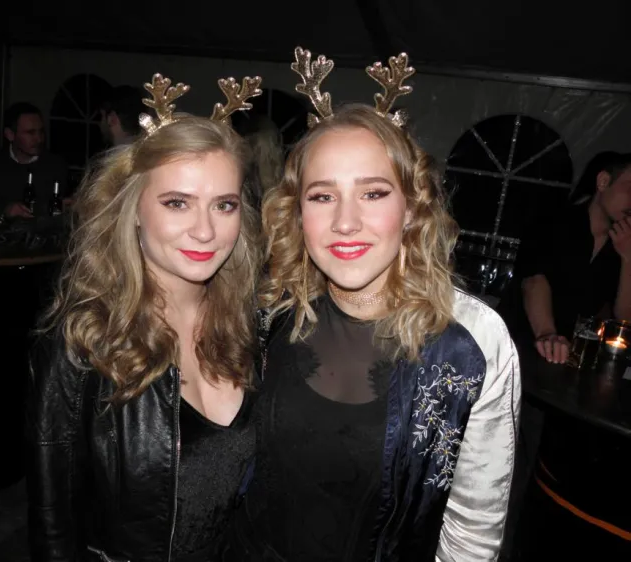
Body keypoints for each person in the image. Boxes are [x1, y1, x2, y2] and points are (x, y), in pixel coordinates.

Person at [223, 48, 521, 562]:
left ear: (412, 208)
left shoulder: (471, 342)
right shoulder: (271, 311)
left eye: (374, 193)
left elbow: (472, 536)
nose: (345, 222)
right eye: (322, 196)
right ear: (297, 213)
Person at [27, 73, 263, 562]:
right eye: (177, 203)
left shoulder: (252, 325)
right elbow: (54, 523)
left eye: (224, 205)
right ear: (133, 209)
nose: (205, 231)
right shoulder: (83, 343)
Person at [498, 151, 631, 363]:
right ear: (603, 182)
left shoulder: (621, 245)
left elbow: (624, 320)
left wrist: (628, 258)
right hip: (513, 347)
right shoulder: (552, 220)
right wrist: (548, 334)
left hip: (569, 359)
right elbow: (534, 281)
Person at [0, 102, 68, 218]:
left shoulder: (55, 165)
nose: (39, 139)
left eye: (41, 131)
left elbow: (55, 208)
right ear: (10, 134)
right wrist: (4, 207)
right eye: (30, 133)